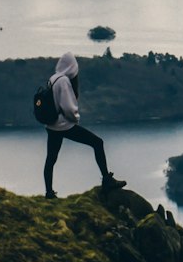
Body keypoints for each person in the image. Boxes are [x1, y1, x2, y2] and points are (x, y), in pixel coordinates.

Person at [43, 52, 125, 199]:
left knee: (51, 159)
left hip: (52, 125)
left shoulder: (53, 78)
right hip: (65, 125)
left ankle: (49, 192)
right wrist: (75, 118)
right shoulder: (64, 81)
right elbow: (69, 108)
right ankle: (106, 180)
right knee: (97, 143)